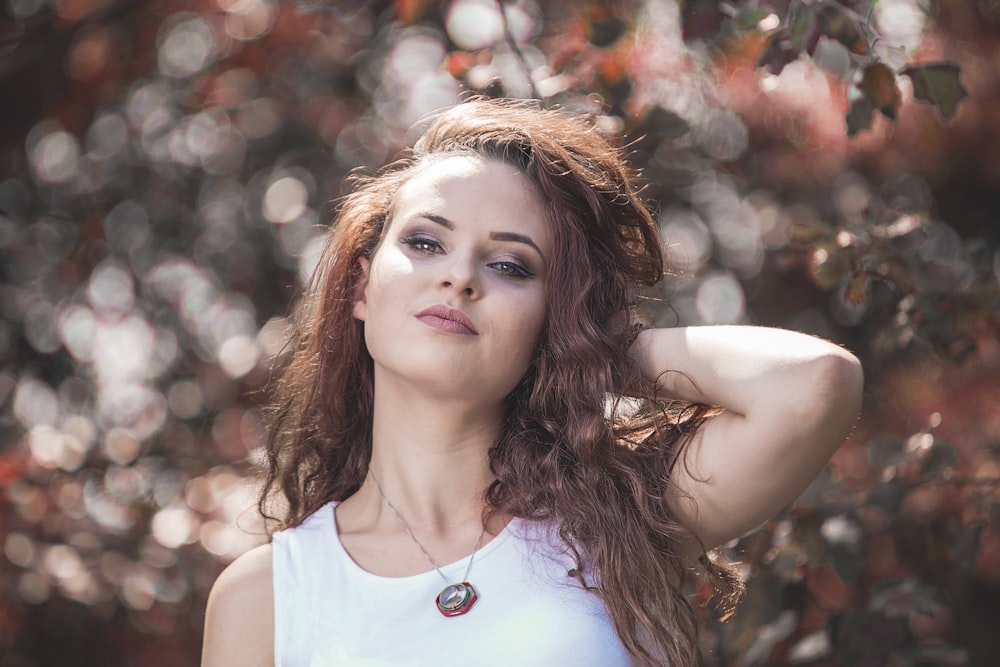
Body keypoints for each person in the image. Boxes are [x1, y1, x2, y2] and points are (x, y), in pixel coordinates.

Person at [201, 98, 863, 667]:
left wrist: (585, 348)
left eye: (512, 266)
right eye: (427, 242)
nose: (460, 277)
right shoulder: (266, 597)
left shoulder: (613, 514)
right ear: (360, 287)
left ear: (551, 317)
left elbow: (813, 384)